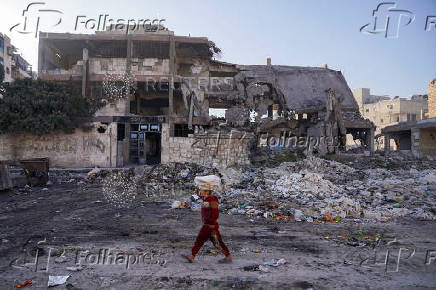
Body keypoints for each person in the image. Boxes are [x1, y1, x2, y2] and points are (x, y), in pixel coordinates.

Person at [184, 187, 232, 263]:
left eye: (201, 190)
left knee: (212, 242)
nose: (200, 192)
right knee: (208, 241)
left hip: (210, 226)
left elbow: (215, 213)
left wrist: (212, 222)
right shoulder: (206, 199)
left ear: (206, 191)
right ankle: (192, 256)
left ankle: (228, 256)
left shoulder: (212, 199)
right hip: (208, 225)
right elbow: (203, 204)